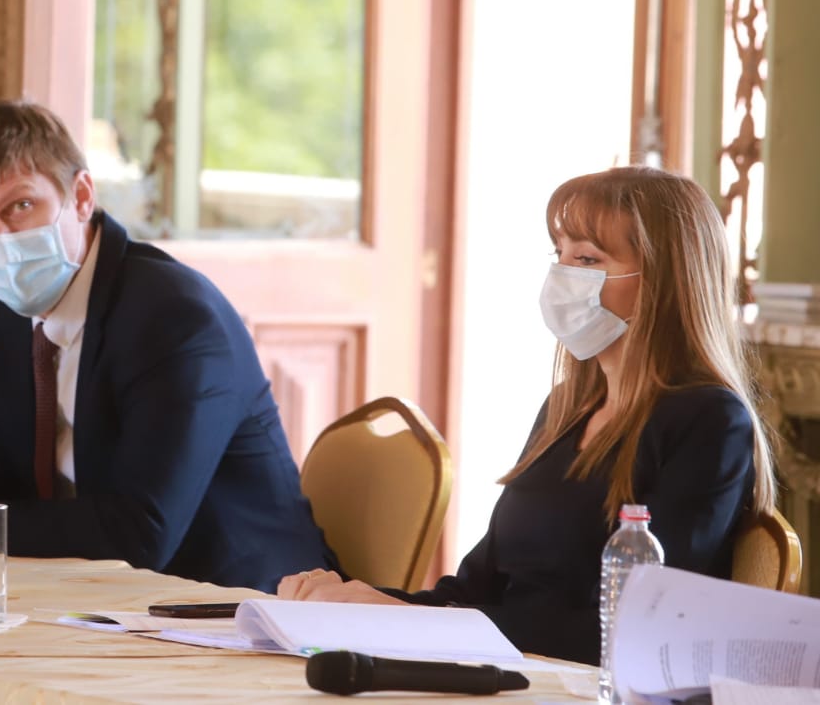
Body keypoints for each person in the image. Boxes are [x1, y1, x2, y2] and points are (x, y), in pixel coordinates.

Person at [278, 166, 777, 665]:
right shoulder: (565, 410)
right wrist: (359, 603)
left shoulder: (709, 421)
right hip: (513, 673)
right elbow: (474, 591)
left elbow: (633, 629)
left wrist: (409, 618)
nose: (562, 274)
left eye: (585, 258)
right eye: (558, 254)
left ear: (663, 282)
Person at [0, 100, 334, 592]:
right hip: (95, 606)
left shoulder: (174, 318)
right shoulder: (15, 319)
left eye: (20, 207)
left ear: (81, 197)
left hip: (243, 610)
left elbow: (140, 533)